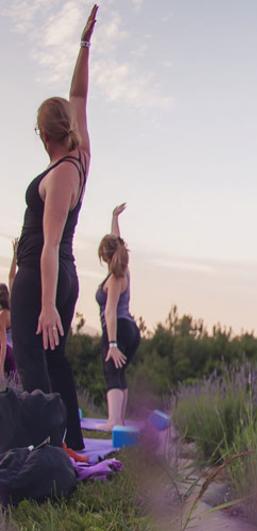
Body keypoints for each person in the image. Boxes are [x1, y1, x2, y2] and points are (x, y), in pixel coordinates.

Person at [11, 5, 98, 451]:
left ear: (43, 135)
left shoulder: (61, 172)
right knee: (56, 361)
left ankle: (49, 451)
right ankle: (73, 444)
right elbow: (79, 98)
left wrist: (45, 304)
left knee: (32, 361)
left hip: (43, 275)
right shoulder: (80, 158)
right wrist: (84, 46)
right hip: (67, 274)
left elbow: (47, 244)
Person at [94, 203, 140, 430]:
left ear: (104, 256)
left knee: (112, 370)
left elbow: (110, 311)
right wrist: (114, 218)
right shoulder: (124, 271)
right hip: (131, 329)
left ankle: (113, 421)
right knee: (120, 372)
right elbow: (117, 240)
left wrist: (111, 343)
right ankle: (119, 421)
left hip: (118, 329)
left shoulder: (114, 279)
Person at [1, 240, 17, 379]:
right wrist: (15, 255)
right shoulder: (14, 309)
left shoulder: (3, 315)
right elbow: (11, 277)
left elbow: (11, 277)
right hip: (16, 354)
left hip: (6, 352)